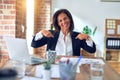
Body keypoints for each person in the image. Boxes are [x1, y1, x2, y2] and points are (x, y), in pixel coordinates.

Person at [31, 9, 96, 56]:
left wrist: (87, 37)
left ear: (69, 19)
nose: (63, 22)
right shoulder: (51, 34)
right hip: (54, 66)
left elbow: (92, 50)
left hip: (71, 68)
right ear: (58, 23)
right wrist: (41, 33)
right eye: (60, 21)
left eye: (65, 18)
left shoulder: (77, 36)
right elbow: (34, 44)